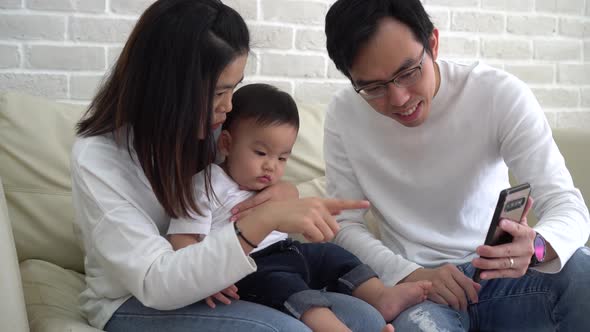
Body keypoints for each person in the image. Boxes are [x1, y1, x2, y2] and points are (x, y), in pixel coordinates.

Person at [70, 1, 389, 331]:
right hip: (134, 299)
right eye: (219, 92)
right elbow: (155, 282)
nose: (229, 106)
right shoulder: (99, 158)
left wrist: (282, 193)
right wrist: (263, 220)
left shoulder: (210, 132)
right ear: (171, 87)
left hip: (225, 281)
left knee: (364, 318)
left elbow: (252, 183)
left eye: (233, 88)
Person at [323, 0, 590, 330]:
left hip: (499, 274)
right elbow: (343, 225)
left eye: (407, 73)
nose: (399, 99)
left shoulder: (496, 94)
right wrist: (411, 273)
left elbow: (567, 204)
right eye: (373, 87)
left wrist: (536, 248)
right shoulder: (343, 115)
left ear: (433, 44)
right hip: (417, 287)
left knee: (582, 271)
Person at [167, 83, 431, 332]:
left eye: (282, 157)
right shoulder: (206, 184)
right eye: (260, 153)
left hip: (289, 250)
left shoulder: (270, 187)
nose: (271, 166)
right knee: (289, 289)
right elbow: (183, 237)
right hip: (251, 267)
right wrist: (203, 280)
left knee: (331, 254)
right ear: (226, 144)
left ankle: (381, 296)